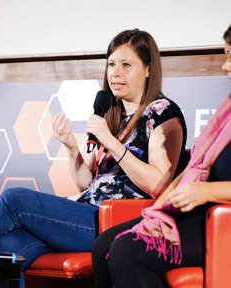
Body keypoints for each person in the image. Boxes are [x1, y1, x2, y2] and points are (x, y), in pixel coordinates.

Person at [0, 29, 186, 288]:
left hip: (120, 224)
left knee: (14, 199)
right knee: (8, 246)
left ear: (148, 69)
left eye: (126, 65)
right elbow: (87, 184)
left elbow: (159, 185)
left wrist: (109, 140)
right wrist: (72, 150)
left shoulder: (163, 114)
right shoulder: (114, 114)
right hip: (88, 213)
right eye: (111, 64)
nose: (115, 73)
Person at [92, 24, 231, 288]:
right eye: (226, 56)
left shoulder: (162, 111)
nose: (225, 66)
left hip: (220, 223)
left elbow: (199, 185)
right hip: (197, 213)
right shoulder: (227, 111)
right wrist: (157, 211)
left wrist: (208, 192)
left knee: (126, 252)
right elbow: (193, 172)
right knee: (103, 246)